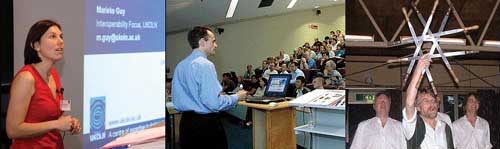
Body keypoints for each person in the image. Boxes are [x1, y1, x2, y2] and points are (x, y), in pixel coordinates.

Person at [6, 20, 81, 148]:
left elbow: (52, 114)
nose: (60, 41)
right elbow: (12, 130)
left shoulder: (53, 74)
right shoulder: (26, 78)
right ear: (36, 45)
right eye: (52, 36)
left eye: (61, 36)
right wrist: (56, 124)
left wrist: (69, 122)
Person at [171, 26, 247, 149]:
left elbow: (178, 99)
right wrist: (237, 97)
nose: (216, 45)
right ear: (202, 42)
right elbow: (214, 103)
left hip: (186, 124)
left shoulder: (181, 65)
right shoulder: (205, 65)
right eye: (213, 41)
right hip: (205, 127)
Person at [402, 54, 454, 149]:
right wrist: (419, 69)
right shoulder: (413, 126)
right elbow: (409, 102)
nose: (432, 104)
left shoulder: (445, 127)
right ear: (417, 107)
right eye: (426, 101)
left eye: (433, 100)